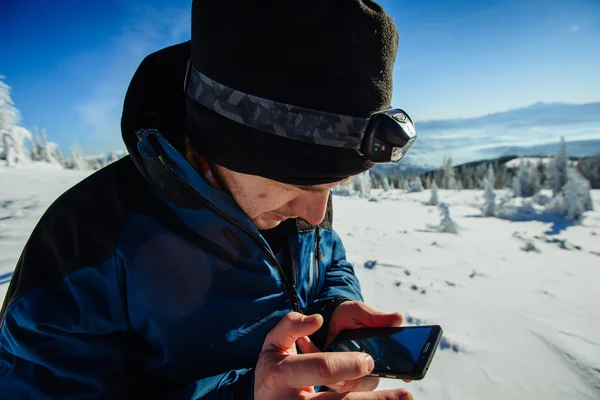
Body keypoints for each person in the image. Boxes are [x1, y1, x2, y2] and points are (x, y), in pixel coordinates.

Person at [0, 0, 417, 398]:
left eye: (334, 186)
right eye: (299, 185)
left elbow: (329, 261)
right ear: (222, 144)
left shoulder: (297, 196)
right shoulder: (84, 242)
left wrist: (334, 311)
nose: (316, 212)